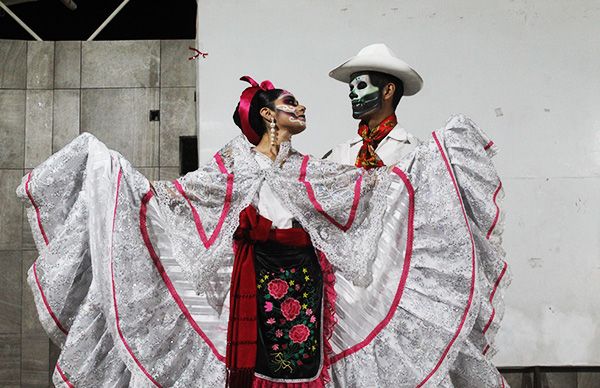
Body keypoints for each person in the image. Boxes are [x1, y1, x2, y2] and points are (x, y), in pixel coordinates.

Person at [18, 76, 509, 387]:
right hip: (246, 282)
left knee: (306, 363)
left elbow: (369, 192)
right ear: (269, 114)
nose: (302, 109)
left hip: (302, 285)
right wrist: (123, 180)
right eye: (291, 102)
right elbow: (183, 198)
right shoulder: (231, 164)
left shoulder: (310, 168)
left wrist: (425, 166)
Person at [324, 43, 422, 168]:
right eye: (351, 88)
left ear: (388, 91)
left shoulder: (415, 151)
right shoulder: (339, 153)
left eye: (361, 86)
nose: (352, 94)